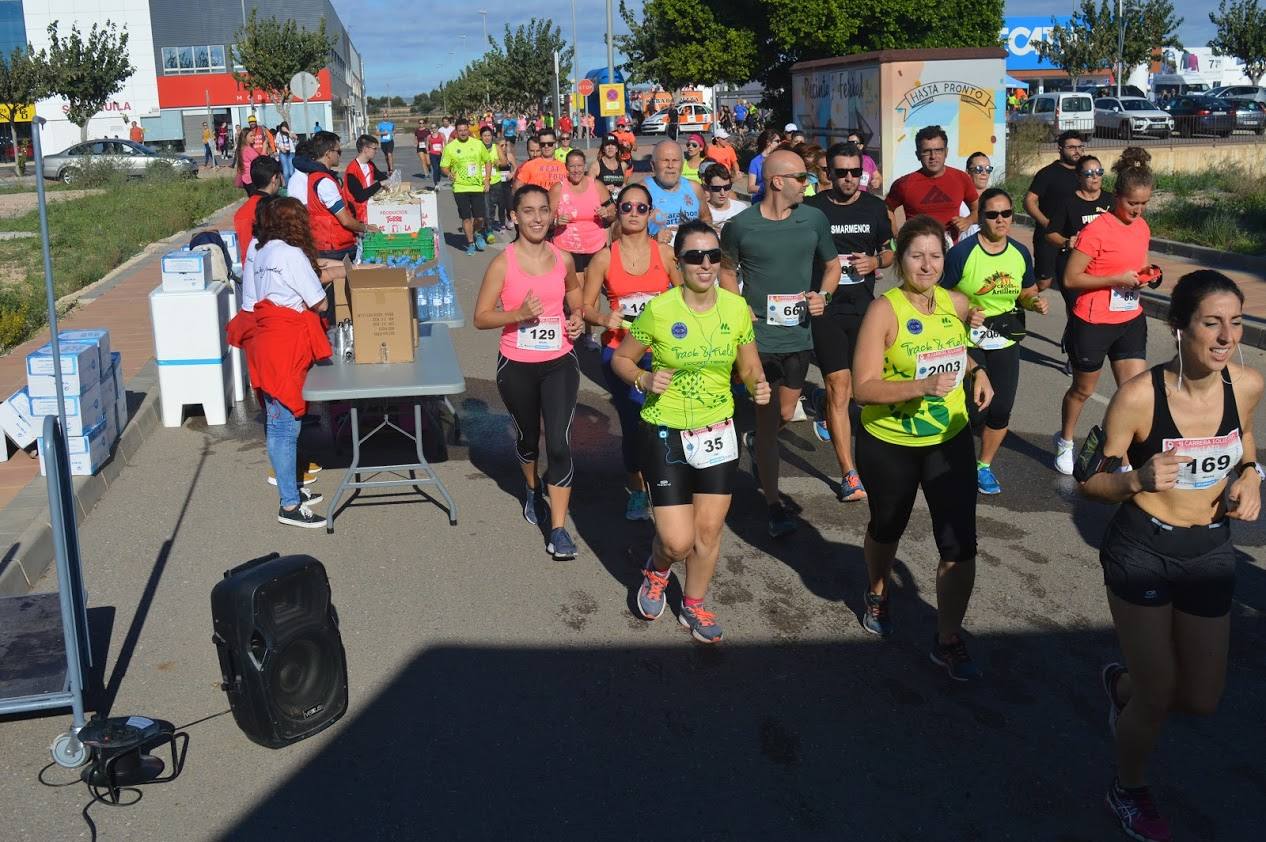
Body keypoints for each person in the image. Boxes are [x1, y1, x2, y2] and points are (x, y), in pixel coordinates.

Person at [1080, 271, 1261, 842]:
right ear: (1179, 327)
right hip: (1143, 549)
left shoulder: (1248, 385)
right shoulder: (1139, 396)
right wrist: (1134, 478)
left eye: (1236, 322)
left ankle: (1122, 689)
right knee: (1160, 694)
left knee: (1201, 699)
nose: (1226, 334)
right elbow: (1093, 478)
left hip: (1209, 549)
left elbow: (1246, 444)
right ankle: (1127, 788)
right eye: (1212, 322)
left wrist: (1253, 475)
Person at [613, 220, 769, 643]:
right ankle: (658, 569)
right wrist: (642, 381)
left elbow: (749, 363)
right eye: (695, 257)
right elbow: (622, 361)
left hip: (717, 429)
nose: (705, 264)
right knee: (677, 540)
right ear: (678, 263)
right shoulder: (660, 310)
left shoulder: (736, 308)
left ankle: (695, 604)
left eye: (713, 256)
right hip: (665, 431)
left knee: (708, 532)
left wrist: (758, 384)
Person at [851, 214, 993, 679]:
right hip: (890, 443)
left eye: (935, 255)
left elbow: (956, 348)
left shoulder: (954, 302)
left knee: (960, 543)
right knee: (886, 528)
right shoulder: (883, 311)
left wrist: (977, 371)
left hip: (947, 441)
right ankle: (877, 589)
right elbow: (863, 388)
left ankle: (948, 637)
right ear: (902, 260)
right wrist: (920, 386)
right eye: (917, 255)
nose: (927, 264)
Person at [719, 149, 840, 536]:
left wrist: (824, 295)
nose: (809, 184)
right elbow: (725, 269)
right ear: (777, 181)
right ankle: (773, 504)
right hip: (758, 341)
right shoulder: (741, 226)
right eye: (802, 177)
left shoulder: (814, 219)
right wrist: (738, 307)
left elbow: (833, 266)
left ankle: (756, 438)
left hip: (798, 336)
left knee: (786, 414)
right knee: (770, 422)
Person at [473, 185, 586, 560]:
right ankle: (531, 489)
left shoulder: (563, 258)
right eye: (528, 211)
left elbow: (574, 295)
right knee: (527, 440)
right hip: (517, 364)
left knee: (558, 442)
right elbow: (481, 317)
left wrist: (576, 319)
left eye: (543, 210)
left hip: (560, 361)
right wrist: (517, 314)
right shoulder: (503, 263)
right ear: (514, 217)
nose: (537, 218)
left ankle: (558, 529)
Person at [226, 198, 332, 529]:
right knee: (286, 423)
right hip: (286, 343)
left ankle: (292, 489)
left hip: (266, 339)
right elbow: (320, 302)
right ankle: (288, 504)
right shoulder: (291, 254)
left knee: (277, 419)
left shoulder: (262, 250)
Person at [583, 183, 683, 520]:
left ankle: (668, 481)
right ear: (618, 211)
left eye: (642, 208)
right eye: (627, 207)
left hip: (663, 352)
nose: (634, 214)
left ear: (651, 213)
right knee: (635, 422)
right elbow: (585, 307)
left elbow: (688, 297)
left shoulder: (666, 254)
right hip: (619, 351)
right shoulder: (604, 257)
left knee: (666, 420)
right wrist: (602, 316)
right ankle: (637, 487)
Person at [1054, 148, 1155, 475]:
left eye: (1143, 204)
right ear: (1116, 197)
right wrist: (1115, 279)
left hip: (1129, 318)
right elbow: (1071, 278)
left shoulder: (1142, 228)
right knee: (1084, 390)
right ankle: (1066, 440)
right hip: (1093, 320)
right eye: (1132, 204)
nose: (1137, 211)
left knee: (1133, 393)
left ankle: (1122, 457)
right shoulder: (1097, 230)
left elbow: (1137, 265)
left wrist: (1147, 275)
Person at [941, 188, 1047, 495]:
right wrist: (965, 311)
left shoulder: (1019, 252)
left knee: (1001, 408)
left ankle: (983, 466)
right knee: (971, 411)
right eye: (992, 214)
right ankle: (951, 459)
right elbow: (939, 295)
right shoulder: (962, 253)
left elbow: (1026, 292)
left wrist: (1033, 303)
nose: (1000, 220)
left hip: (1006, 335)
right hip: (968, 338)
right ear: (981, 217)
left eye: (1006, 213)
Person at [804, 141, 894, 502]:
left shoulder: (875, 207)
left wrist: (875, 263)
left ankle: (821, 403)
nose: (849, 179)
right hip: (825, 310)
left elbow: (890, 251)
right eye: (840, 172)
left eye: (856, 172)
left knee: (866, 390)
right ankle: (849, 472)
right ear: (828, 173)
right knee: (841, 388)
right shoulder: (812, 209)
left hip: (863, 309)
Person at [1044, 155, 1114, 329]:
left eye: (1099, 172)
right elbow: (1050, 234)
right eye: (1089, 173)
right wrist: (1067, 242)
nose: (1095, 177)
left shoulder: (1111, 200)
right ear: (1079, 177)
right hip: (1072, 264)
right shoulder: (1068, 202)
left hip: (1103, 263)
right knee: (1077, 307)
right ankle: (1074, 340)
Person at [296, 131, 379, 264]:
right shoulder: (325, 182)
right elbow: (345, 220)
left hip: (326, 241)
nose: (340, 155)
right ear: (328, 153)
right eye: (338, 151)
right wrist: (365, 228)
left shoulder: (315, 175)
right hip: (334, 246)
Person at [885, 125, 978, 242]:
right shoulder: (904, 184)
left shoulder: (961, 178)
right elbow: (886, 210)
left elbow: (978, 209)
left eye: (938, 150)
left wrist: (968, 220)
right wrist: (896, 235)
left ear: (946, 152)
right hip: (916, 253)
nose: (933, 156)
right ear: (917, 154)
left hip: (951, 255)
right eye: (926, 151)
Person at [1024, 131, 1085, 290]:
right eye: (1071, 147)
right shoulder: (1047, 174)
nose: (1076, 151)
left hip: (1075, 238)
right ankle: (1019, 299)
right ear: (1060, 149)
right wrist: (1048, 224)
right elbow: (1029, 201)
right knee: (1044, 282)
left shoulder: (1085, 174)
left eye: (1080, 147)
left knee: (1074, 284)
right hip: (1048, 238)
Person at [440, 117, 495, 256]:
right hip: (460, 188)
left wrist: (487, 180)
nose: (463, 133)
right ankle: (470, 243)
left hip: (477, 187)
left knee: (480, 218)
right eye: (460, 131)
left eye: (465, 130)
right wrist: (449, 174)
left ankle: (476, 233)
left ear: (468, 130)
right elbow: (444, 166)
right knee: (466, 218)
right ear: (456, 132)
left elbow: (488, 161)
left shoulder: (477, 144)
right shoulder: (450, 147)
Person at [645, 140, 711, 244]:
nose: (670, 166)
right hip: (657, 256)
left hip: (691, 257)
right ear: (653, 165)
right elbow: (621, 233)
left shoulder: (695, 188)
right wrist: (652, 238)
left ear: (682, 164)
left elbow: (706, 218)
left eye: (675, 160)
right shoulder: (641, 191)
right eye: (665, 160)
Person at [234, 156, 283, 265]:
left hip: (248, 269)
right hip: (270, 268)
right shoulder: (275, 209)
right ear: (274, 178)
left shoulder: (241, 212)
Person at [343, 134, 385, 223]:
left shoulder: (370, 165)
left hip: (369, 211)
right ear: (365, 149)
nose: (376, 151)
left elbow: (382, 177)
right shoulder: (352, 170)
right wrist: (380, 184)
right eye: (374, 149)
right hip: (357, 216)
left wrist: (390, 181)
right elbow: (360, 196)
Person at [957, 152, 994, 239]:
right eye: (979, 169)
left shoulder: (995, 199)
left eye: (988, 169)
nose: (984, 173)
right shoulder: (959, 201)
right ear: (968, 173)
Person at [701, 162, 748, 228]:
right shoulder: (700, 211)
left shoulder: (741, 209)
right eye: (716, 188)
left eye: (727, 187)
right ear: (708, 188)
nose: (722, 193)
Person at [746, 129, 782, 204]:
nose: (780, 143)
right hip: (760, 202)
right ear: (768, 142)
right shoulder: (755, 162)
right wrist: (768, 188)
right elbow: (750, 188)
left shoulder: (780, 159)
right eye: (777, 141)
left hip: (777, 202)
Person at [490, 135, 517, 233]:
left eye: (505, 145)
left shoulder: (509, 156)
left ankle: (510, 218)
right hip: (497, 184)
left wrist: (512, 173)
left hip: (507, 184)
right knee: (500, 205)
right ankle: (502, 224)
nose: (504, 147)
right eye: (502, 146)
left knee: (509, 204)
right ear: (497, 147)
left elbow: (516, 168)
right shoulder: (494, 157)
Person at [590, 133, 629, 198]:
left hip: (617, 203)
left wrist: (621, 189)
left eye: (613, 145)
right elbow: (588, 188)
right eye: (607, 145)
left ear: (617, 149)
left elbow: (624, 185)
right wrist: (604, 188)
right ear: (603, 149)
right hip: (602, 203)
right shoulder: (596, 166)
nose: (610, 147)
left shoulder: (623, 165)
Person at [846, 129, 882, 194]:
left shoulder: (868, 160)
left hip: (864, 199)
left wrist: (877, 181)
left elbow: (877, 176)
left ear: (861, 146)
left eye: (853, 143)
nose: (850, 146)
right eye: (848, 143)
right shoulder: (842, 160)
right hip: (847, 199)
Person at [233, 126, 260, 196]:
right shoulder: (248, 149)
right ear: (245, 137)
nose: (253, 137)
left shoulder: (242, 148)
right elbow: (259, 161)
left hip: (245, 179)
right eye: (251, 136)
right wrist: (265, 149)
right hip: (251, 179)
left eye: (254, 136)